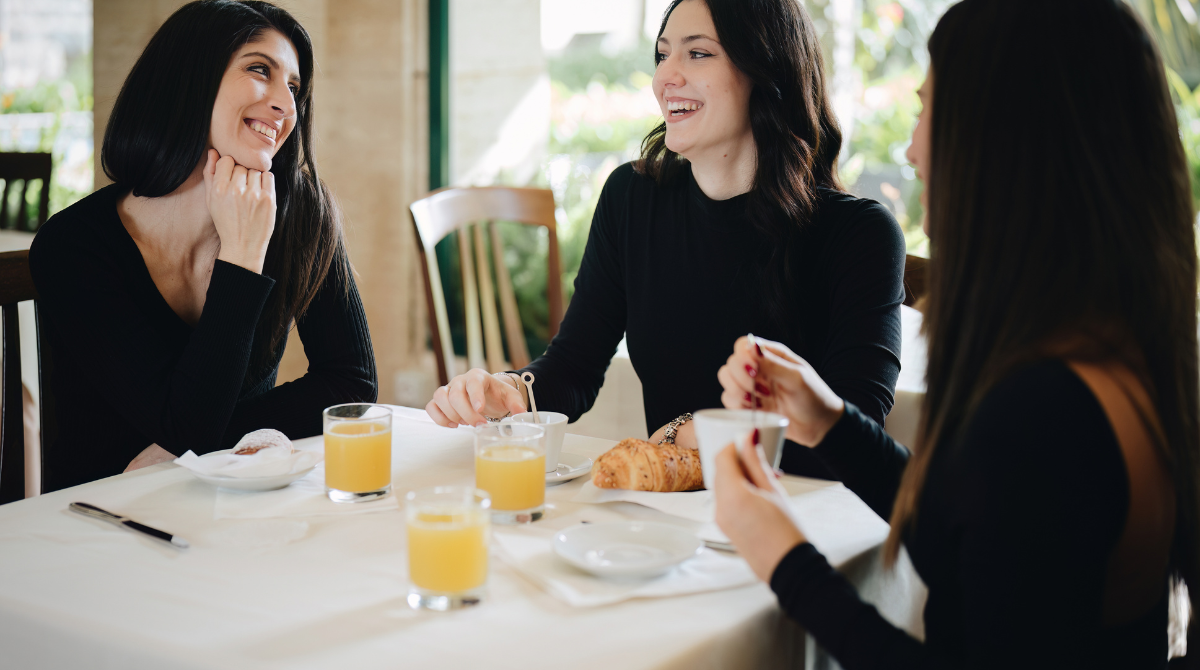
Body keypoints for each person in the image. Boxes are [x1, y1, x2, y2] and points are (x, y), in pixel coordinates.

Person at [713, 0, 1199, 666]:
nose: (911, 150)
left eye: (924, 109)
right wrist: (830, 421)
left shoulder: (1044, 415)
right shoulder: (1113, 361)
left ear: (1004, 144)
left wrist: (783, 557)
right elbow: (980, 529)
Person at [425, 0, 906, 478]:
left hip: (803, 526)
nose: (665, 77)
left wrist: (692, 430)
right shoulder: (631, 199)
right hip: (669, 522)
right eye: (662, 54)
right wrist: (510, 390)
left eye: (698, 54)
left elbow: (854, 435)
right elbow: (574, 366)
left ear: (766, 69)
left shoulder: (860, 235)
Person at [30, 0, 377, 492]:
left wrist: (192, 444)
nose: (285, 105)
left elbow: (353, 384)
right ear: (189, 79)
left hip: (234, 505)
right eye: (261, 70)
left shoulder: (300, 213)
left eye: (294, 88)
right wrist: (242, 255)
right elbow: (189, 425)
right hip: (105, 522)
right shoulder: (74, 247)